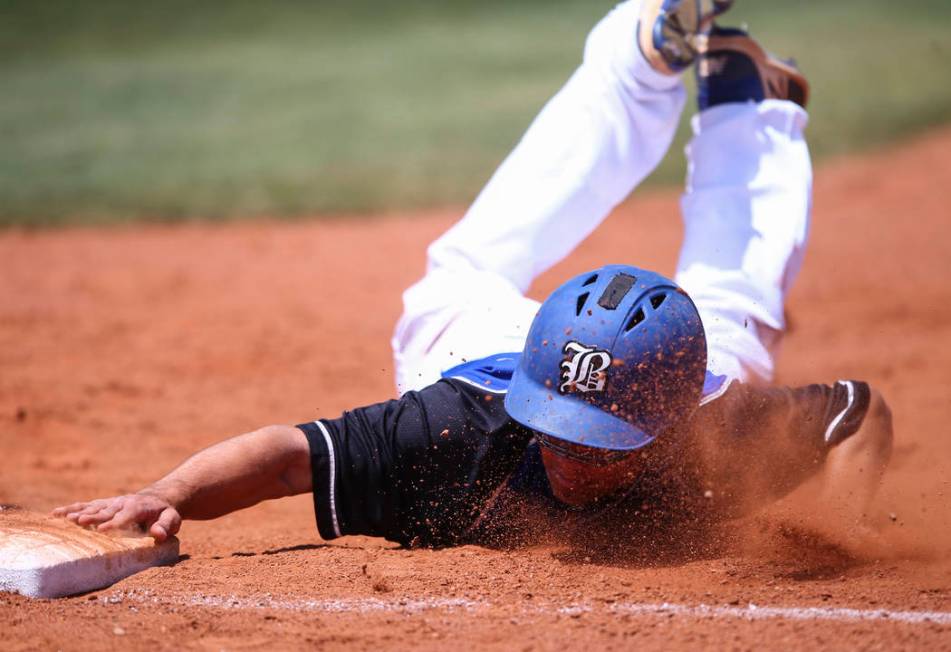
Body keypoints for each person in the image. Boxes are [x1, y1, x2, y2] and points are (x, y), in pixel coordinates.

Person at [54, 1, 892, 552]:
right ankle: (642, 59)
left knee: (735, 330)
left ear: (670, 426)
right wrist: (166, 492)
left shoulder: (723, 422)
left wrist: (843, 539)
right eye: (555, 428)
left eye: (593, 443)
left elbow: (857, 415)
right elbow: (288, 457)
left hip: (673, 380)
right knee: (458, 278)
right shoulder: (454, 430)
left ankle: (742, 98)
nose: (564, 455)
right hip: (484, 349)